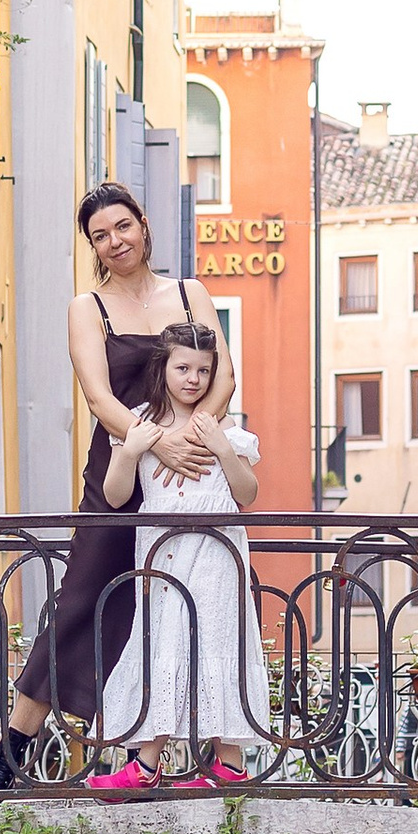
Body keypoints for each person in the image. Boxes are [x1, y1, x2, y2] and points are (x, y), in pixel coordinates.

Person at [0, 182, 232, 804]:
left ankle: (166, 759)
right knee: (80, 604)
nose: (115, 241)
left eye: (123, 227)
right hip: (121, 471)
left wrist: (192, 442)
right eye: (100, 235)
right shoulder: (87, 307)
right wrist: (155, 442)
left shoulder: (190, 294)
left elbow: (222, 376)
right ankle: (3, 770)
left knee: (187, 602)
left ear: (143, 225)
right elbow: (99, 398)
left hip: (190, 474)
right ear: (92, 245)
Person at [86, 321, 268, 796]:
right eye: (183, 367)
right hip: (163, 556)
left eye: (204, 370)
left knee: (215, 643)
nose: (193, 379)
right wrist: (132, 452)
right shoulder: (141, 422)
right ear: (163, 367)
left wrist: (224, 448)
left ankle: (225, 764)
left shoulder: (224, 427)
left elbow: (247, 493)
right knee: (162, 645)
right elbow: (115, 493)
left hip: (216, 555)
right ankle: (151, 762)